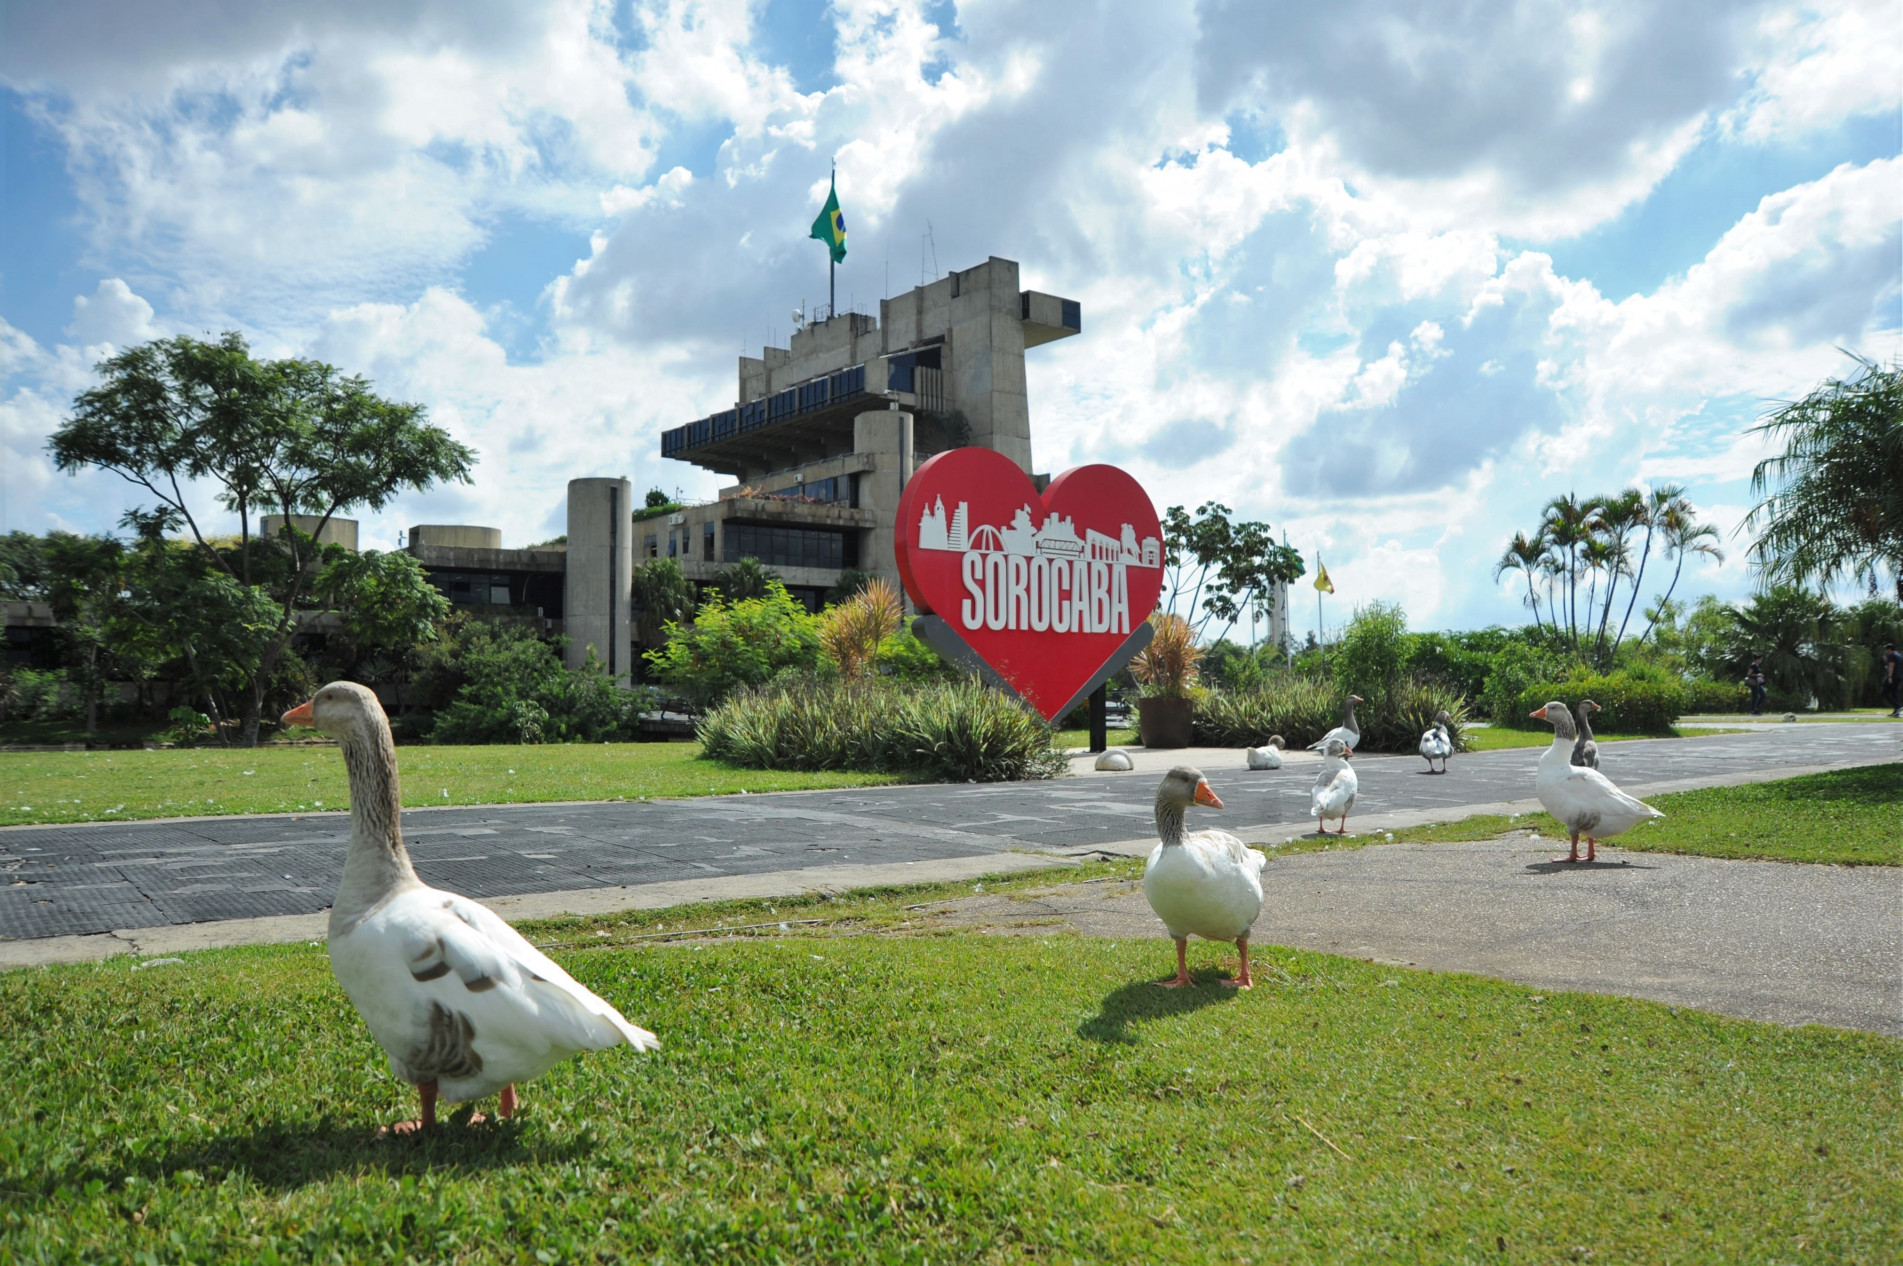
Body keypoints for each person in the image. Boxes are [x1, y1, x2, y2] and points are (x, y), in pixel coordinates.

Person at [1883, 641, 1902, 718]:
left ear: (1889, 649)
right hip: (1899, 677)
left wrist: (1890, 677)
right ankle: (1896, 712)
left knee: (1885, 693)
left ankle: (1897, 706)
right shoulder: (1899, 655)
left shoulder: (1891, 655)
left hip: (1893, 677)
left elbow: (1891, 666)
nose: (1886, 652)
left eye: (1886, 650)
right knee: (1894, 693)